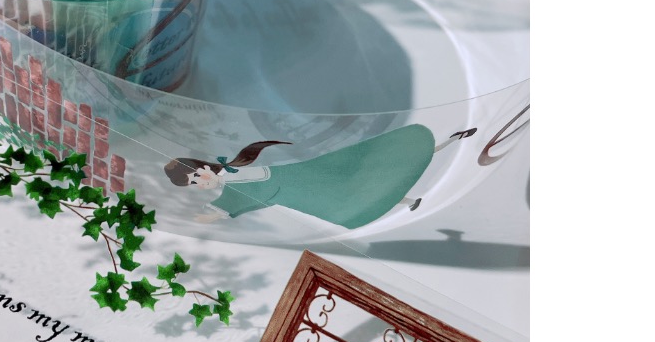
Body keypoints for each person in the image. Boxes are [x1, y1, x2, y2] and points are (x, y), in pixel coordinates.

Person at [163, 127, 477, 229]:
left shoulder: (233, 174)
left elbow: (263, 183)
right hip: (298, 190)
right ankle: (407, 200)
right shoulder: (228, 180)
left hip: (301, 182)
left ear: (203, 166)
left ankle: (449, 141)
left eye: (197, 174)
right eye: (194, 183)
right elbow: (249, 194)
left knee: (360, 180)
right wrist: (216, 210)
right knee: (351, 194)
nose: (200, 181)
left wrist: (218, 210)